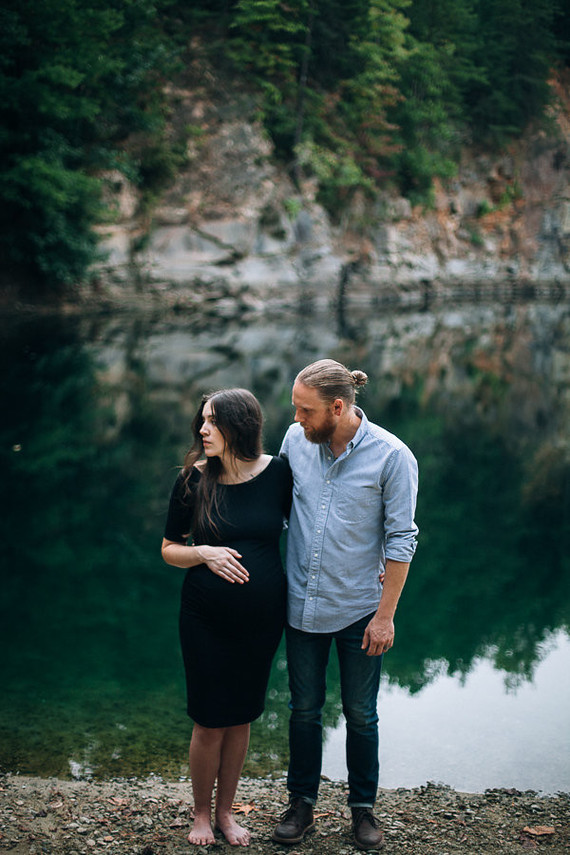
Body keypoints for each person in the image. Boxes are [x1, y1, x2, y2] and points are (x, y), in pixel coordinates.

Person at [273, 359, 419, 851]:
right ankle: (302, 806)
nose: (296, 419)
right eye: (295, 408)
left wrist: (385, 616)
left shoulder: (392, 457)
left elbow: (402, 539)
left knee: (361, 715)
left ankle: (362, 812)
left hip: (359, 609)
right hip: (300, 605)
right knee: (304, 711)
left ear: (338, 407)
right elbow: (272, 502)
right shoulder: (296, 442)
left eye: (305, 411)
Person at [162, 388, 292, 847]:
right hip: (204, 618)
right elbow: (168, 548)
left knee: (242, 716)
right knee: (209, 718)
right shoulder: (193, 479)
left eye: (212, 421)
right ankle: (200, 814)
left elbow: (314, 528)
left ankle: (225, 814)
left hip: (262, 619)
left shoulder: (279, 473)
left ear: (240, 425)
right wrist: (202, 552)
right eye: (202, 420)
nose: (202, 429)